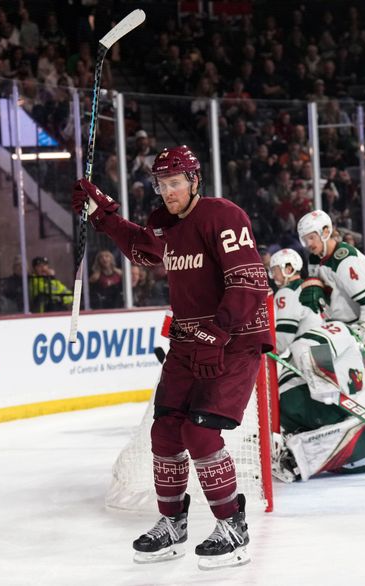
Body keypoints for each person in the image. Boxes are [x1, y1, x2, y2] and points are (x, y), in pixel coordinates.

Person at [71, 145, 272, 570]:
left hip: (233, 339)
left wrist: (216, 333)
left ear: (195, 180)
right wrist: (103, 216)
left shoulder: (224, 215)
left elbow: (250, 283)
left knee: (200, 435)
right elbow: (144, 248)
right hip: (187, 342)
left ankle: (233, 529)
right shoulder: (167, 225)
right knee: (164, 432)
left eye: (175, 182)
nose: (168, 192)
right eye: (162, 184)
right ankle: (172, 525)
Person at [268, 248, 365, 481]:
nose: (272, 274)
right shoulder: (314, 293)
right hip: (322, 369)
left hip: (302, 380)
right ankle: (329, 438)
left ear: (289, 269)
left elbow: (282, 340)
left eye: (276, 269)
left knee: (300, 401)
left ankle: (305, 443)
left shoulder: (286, 293)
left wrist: (261, 344)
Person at [298, 210, 365, 332]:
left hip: (360, 326)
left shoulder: (347, 260)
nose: (308, 243)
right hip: (336, 328)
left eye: (312, 237)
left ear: (325, 232)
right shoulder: (314, 258)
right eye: (305, 239)